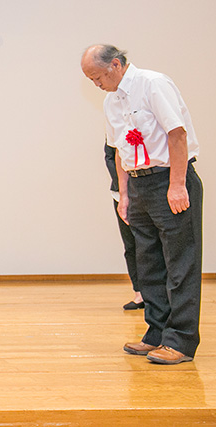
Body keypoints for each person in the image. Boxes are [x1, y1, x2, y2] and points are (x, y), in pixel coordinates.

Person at [81, 44, 203, 365]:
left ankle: (181, 340)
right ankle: (157, 332)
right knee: (148, 261)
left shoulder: (153, 84)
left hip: (168, 179)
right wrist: (124, 194)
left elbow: (177, 135)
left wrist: (177, 184)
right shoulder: (112, 101)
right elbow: (119, 150)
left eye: (97, 77)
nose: (96, 84)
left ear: (116, 64)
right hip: (138, 185)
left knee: (179, 263)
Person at [106, 143, 143, 311]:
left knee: (150, 246)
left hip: (147, 189)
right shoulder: (113, 129)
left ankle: (159, 293)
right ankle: (139, 293)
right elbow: (111, 158)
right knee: (131, 246)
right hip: (122, 195)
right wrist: (124, 190)